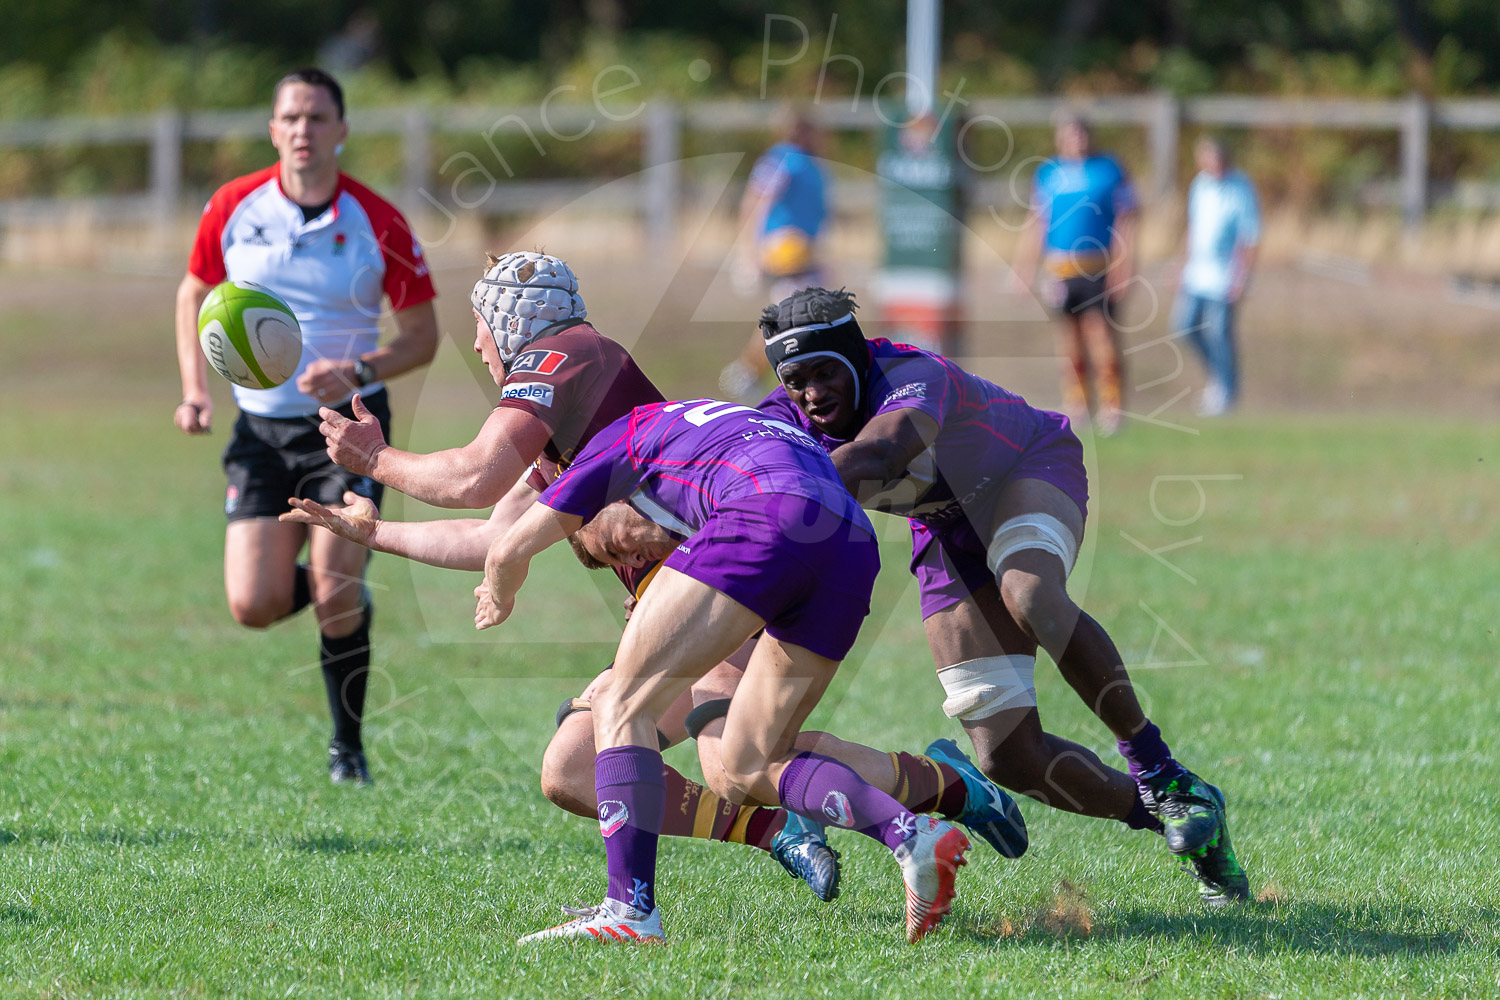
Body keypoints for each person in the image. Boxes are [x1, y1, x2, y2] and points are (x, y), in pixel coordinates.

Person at [286, 251, 1024, 901]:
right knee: (578, 769)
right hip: (691, 593)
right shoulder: (556, 425)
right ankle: (803, 822)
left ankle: (929, 796)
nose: (477, 346)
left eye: (479, 327)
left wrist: (377, 461)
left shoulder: (564, 353)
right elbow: (495, 535)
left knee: (737, 754)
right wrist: (376, 531)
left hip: (733, 576)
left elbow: (475, 476)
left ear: (511, 325)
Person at [752, 287, 1249, 906]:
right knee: (1008, 758)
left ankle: (1159, 770)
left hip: (1024, 470)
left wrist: (775, 486)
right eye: (796, 379)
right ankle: (1180, 819)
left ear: (856, 356)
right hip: (943, 528)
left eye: (826, 372)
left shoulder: (911, 373)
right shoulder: (781, 420)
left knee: (1030, 594)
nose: (813, 392)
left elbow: (881, 452)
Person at [476, 399, 975, 944]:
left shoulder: (619, 437)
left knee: (622, 702)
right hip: (850, 541)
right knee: (749, 762)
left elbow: (505, 550)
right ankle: (912, 837)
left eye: (609, 543)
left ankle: (630, 911)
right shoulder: (710, 436)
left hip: (765, 515)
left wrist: (497, 592)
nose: (630, 557)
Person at [171, 67, 439, 784]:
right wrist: (196, 390)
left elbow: (423, 338)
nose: (302, 130)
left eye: (317, 118)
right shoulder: (233, 206)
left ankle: (346, 748)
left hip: (346, 428)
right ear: (273, 130)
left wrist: (359, 368)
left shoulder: (377, 220)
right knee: (252, 604)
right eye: (290, 118)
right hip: (259, 432)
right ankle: (341, 595)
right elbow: (195, 292)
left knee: (333, 581)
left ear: (341, 130)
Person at [1011, 115, 1139, 435]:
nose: (1076, 140)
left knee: (1101, 337)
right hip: (1060, 268)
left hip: (1097, 266)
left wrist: (1126, 266)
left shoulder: (1109, 170)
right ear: (1060, 138)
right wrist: (1023, 268)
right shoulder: (1048, 174)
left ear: (1090, 136)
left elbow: (1128, 220)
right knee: (1069, 341)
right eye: (1069, 135)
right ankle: (1077, 404)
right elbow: (1036, 222)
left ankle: (1113, 407)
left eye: (1081, 134)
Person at [719, 109, 830, 402]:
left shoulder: (805, 163)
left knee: (797, 313)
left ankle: (755, 372)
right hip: (784, 246)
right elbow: (756, 200)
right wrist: (748, 251)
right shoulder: (784, 159)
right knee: (790, 314)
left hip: (800, 248)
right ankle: (747, 372)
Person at [1174, 137, 1260, 416]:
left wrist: (1241, 276)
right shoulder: (1199, 185)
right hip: (1197, 274)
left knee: (1220, 333)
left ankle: (1226, 390)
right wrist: (1180, 264)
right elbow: (1193, 228)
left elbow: (1250, 236)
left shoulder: (1240, 188)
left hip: (1225, 275)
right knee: (1185, 326)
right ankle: (1219, 379)